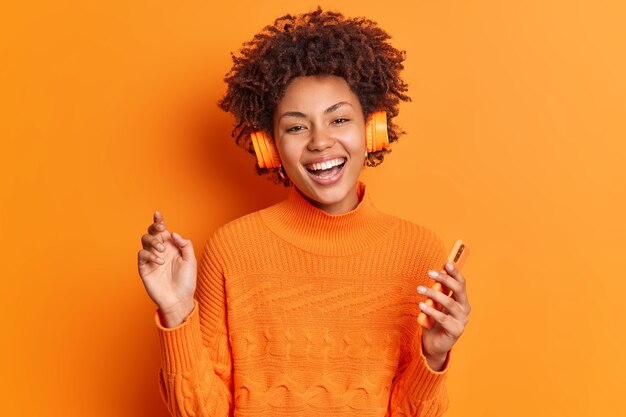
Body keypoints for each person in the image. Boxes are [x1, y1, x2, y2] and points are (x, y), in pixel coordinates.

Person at [137, 8, 471, 417]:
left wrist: (432, 356)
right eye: (297, 127)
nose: (320, 141)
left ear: (372, 130)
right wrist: (175, 311)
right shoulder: (232, 249)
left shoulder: (417, 252)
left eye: (340, 119)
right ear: (270, 148)